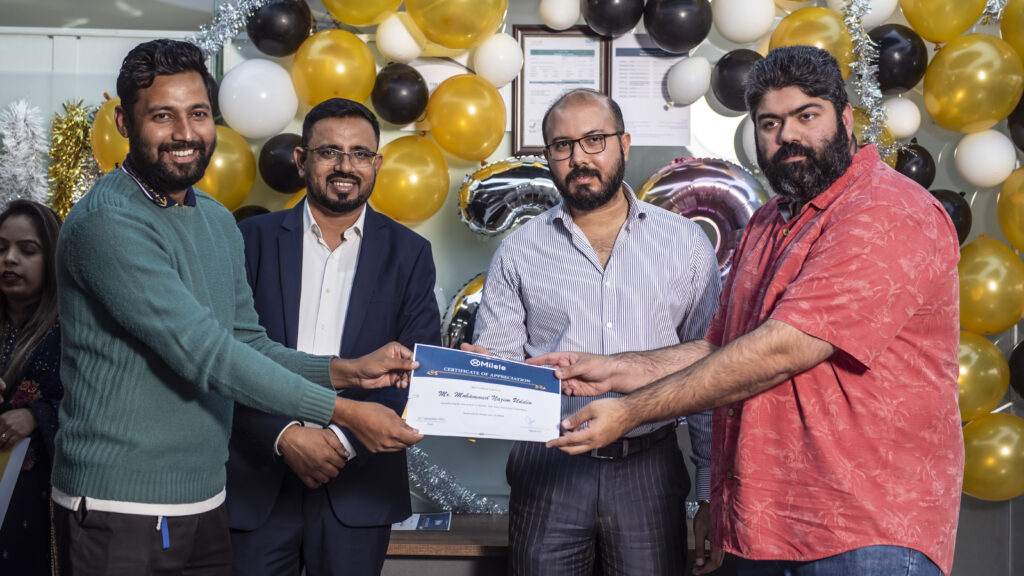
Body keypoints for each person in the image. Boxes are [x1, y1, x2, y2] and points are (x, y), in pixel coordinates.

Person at [534, 46, 963, 576]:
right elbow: (720, 347)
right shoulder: (766, 222)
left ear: (846, 118)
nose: (788, 136)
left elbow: (784, 349)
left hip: (864, 531)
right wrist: (613, 370)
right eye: (770, 123)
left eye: (807, 116)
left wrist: (629, 411)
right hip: (765, 526)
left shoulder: (887, 209)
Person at [51, 39, 423, 576]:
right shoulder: (107, 223)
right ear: (124, 122)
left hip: (205, 499)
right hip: (120, 505)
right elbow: (206, 354)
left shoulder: (215, 219)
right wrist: (345, 411)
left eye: (199, 113)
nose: (185, 133)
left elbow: (247, 341)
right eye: (162, 115)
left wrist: (348, 371)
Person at [469, 88, 720, 576]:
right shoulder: (519, 251)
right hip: (549, 467)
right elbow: (499, 372)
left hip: (649, 468)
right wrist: (476, 378)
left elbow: (711, 371)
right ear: (548, 156)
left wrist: (710, 489)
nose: (579, 158)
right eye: (562, 145)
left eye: (594, 140)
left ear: (624, 143)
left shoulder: (685, 242)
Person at [226, 98, 441, 576]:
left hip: (358, 485)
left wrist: (341, 440)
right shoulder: (248, 240)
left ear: (377, 164)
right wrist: (285, 436)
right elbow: (227, 355)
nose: (346, 166)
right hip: (257, 475)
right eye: (330, 152)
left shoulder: (410, 254)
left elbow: (414, 369)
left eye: (360, 154)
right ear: (302, 160)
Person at [0, 200, 62, 575]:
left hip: (39, 504)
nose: (9, 259)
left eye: (27, 250)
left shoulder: (73, 330)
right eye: (0, 248)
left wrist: (37, 416)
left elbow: (98, 406)